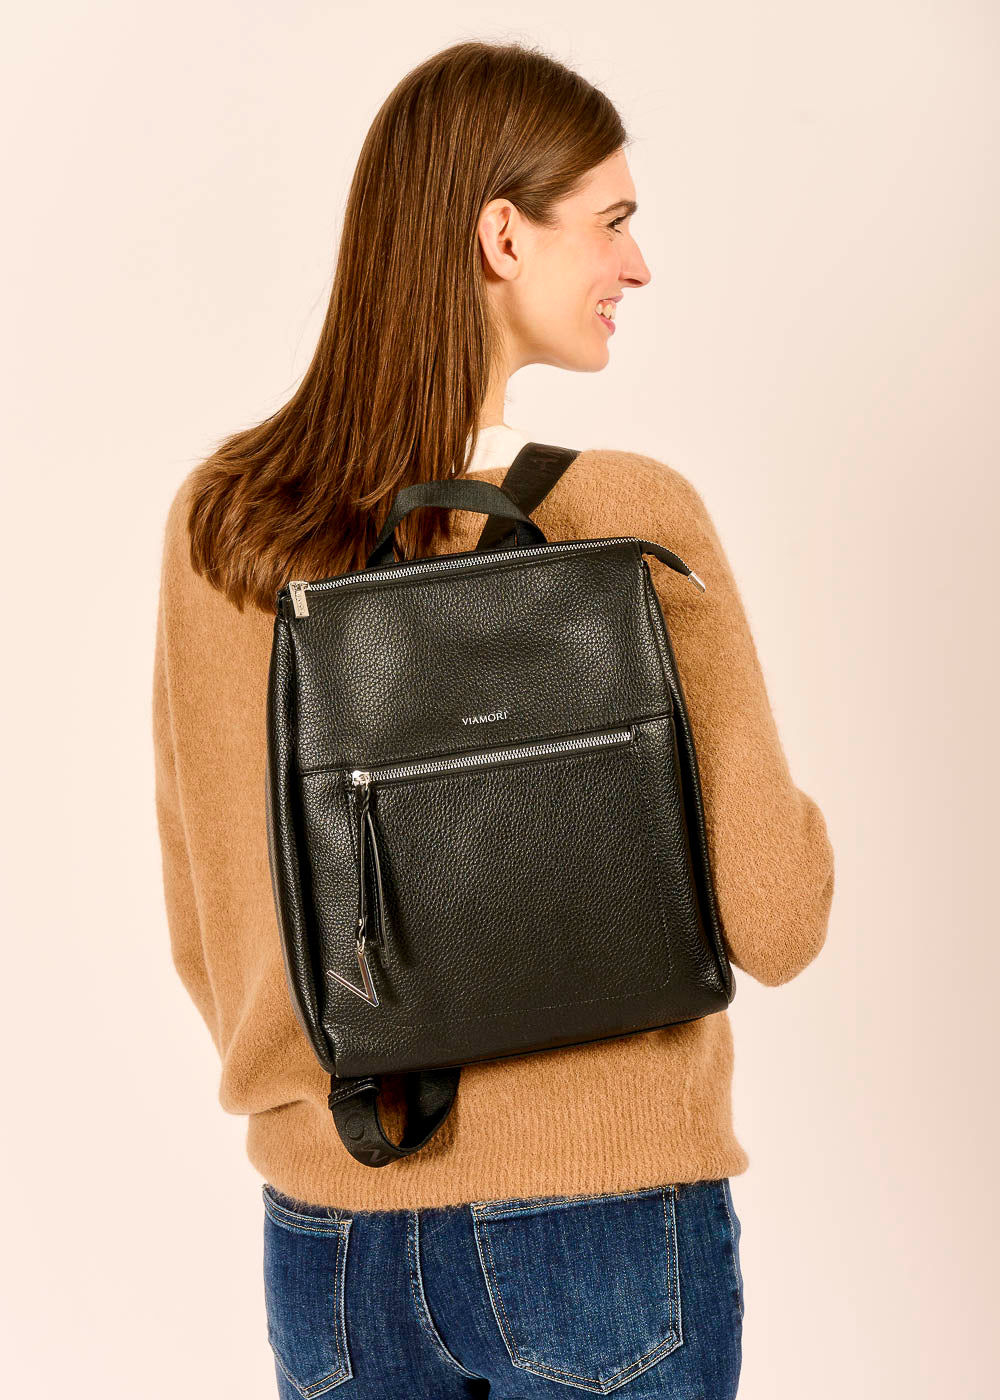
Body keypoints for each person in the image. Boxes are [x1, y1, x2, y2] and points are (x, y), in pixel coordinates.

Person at [152, 39, 835, 1400]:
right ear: (502, 235)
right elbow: (779, 917)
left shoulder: (225, 523)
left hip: (331, 1239)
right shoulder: (630, 516)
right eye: (614, 221)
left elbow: (209, 921)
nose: (638, 265)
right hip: (602, 1222)